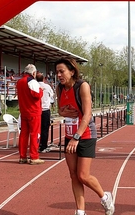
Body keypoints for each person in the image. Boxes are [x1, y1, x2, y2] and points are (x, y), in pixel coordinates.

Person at [55, 57, 115, 215]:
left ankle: (105, 196)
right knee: (73, 175)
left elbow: (88, 114)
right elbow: (60, 110)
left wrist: (76, 137)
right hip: (70, 134)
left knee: (83, 175)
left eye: (62, 71)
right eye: (57, 72)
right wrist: (64, 112)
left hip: (86, 134)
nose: (59, 75)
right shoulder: (59, 89)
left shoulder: (82, 86)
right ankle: (80, 211)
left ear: (72, 71)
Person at [16, 64, 44, 165]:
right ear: (33, 73)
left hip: (24, 111)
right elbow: (37, 95)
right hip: (33, 111)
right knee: (35, 134)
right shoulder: (32, 81)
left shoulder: (19, 82)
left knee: (23, 135)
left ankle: (22, 156)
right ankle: (34, 156)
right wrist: (41, 90)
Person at [36, 72, 54, 153]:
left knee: (36, 129)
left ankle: (37, 144)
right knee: (45, 129)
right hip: (45, 110)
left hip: (36, 110)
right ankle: (43, 146)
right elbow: (52, 95)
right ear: (44, 79)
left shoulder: (34, 86)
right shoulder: (47, 86)